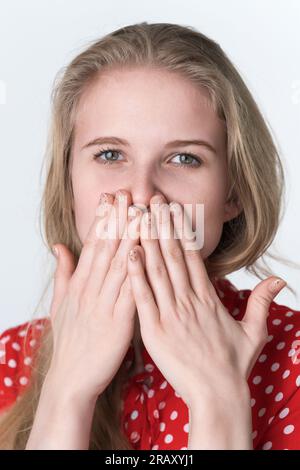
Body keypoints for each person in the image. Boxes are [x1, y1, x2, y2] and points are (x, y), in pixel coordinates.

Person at [0, 22, 299, 450]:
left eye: (183, 158)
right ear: (68, 187)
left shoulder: (293, 362)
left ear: (232, 193)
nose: (142, 195)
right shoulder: (8, 361)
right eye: (109, 154)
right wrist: (65, 395)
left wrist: (218, 401)